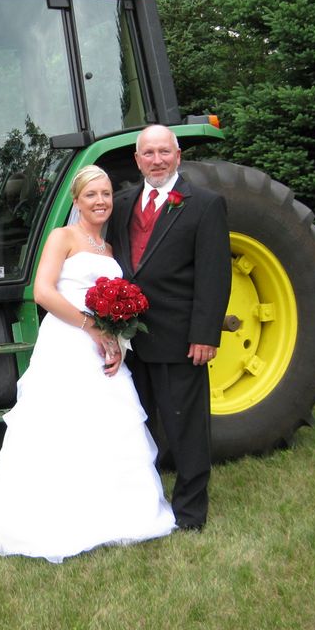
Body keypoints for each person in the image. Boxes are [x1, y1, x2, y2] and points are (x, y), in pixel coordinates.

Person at [0, 165, 176, 563]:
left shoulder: (110, 251)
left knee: (107, 426)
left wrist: (116, 341)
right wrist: (92, 327)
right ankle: (57, 516)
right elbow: (42, 291)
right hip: (66, 344)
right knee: (63, 427)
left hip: (102, 349)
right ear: (76, 201)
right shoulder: (63, 238)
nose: (100, 202)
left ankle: (114, 512)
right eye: (91, 195)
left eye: (106, 194)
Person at [109, 125, 232, 531]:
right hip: (133, 339)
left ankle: (191, 513)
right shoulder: (124, 202)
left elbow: (214, 275)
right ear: (138, 160)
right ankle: (145, 504)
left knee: (186, 428)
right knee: (138, 426)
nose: (157, 160)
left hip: (181, 338)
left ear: (178, 156)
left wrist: (205, 334)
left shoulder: (205, 204)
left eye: (165, 152)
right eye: (149, 153)